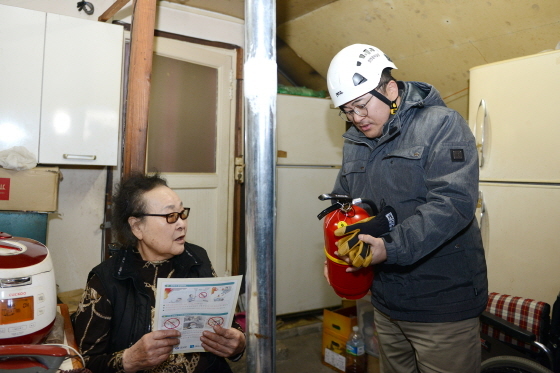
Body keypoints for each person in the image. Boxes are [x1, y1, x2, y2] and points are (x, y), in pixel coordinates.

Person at [324, 44, 488, 372]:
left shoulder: (442, 125)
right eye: (347, 110)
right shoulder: (356, 141)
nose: (356, 118)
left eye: (361, 105)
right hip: (385, 302)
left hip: (441, 305)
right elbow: (343, 201)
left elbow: (453, 204)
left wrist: (389, 246)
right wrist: (335, 254)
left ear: (390, 89)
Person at [71, 173, 245, 373]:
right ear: (137, 227)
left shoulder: (196, 258)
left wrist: (237, 344)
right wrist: (127, 360)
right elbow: (84, 362)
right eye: (170, 216)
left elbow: (226, 326)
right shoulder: (106, 280)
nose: (182, 224)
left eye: (182, 213)